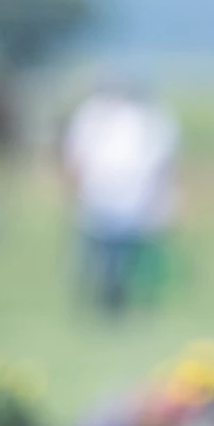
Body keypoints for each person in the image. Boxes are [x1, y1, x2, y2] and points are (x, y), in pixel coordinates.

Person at [61, 81, 179, 315]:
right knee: (97, 254)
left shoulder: (150, 120)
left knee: (122, 257)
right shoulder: (95, 114)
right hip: (101, 196)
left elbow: (162, 164)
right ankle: (95, 300)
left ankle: (116, 301)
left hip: (130, 199)